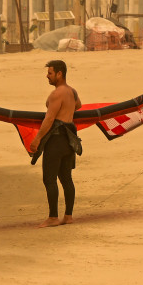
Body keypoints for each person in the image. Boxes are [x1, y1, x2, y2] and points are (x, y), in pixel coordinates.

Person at [30, 60, 82, 228]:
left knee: (49, 179)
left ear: (60, 74)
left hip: (57, 140)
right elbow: (78, 106)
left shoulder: (56, 94)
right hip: (69, 141)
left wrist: (37, 139)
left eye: (50, 73)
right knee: (66, 178)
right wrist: (67, 110)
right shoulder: (72, 91)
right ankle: (68, 216)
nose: (47, 76)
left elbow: (49, 119)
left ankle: (53, 217)